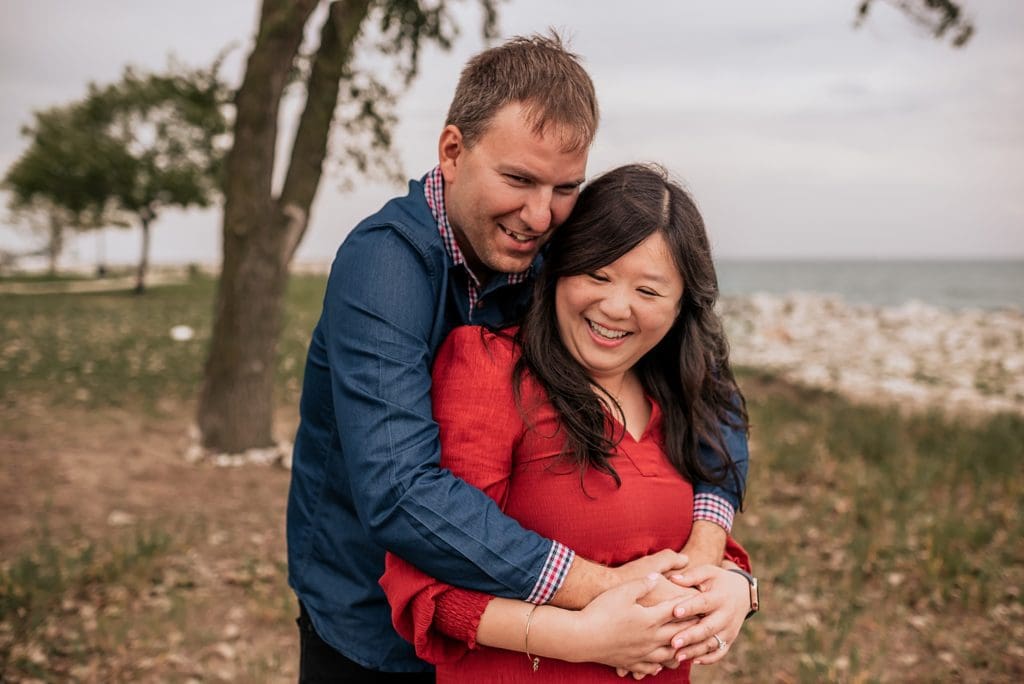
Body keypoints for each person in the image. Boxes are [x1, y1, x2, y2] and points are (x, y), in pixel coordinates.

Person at [287, 33, 749, 680]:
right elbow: (400, 491)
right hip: (367, 618)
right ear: (452, 151)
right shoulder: (383, 267)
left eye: (566, 187)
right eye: (518, 179)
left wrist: (708, 549)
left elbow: (708, 385)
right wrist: (605, 591)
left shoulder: (548, 252)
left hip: (505, 628)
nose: (539, 214)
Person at [380, 163, 755, 682]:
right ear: (557, 270)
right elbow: (427, 588)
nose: (615, 307)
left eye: (648, 292)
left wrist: (737, 590)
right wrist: (583, 638)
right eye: (597, 274)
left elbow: (698, 551)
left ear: (679, 309)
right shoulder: (491, 370)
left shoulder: (683, 397)